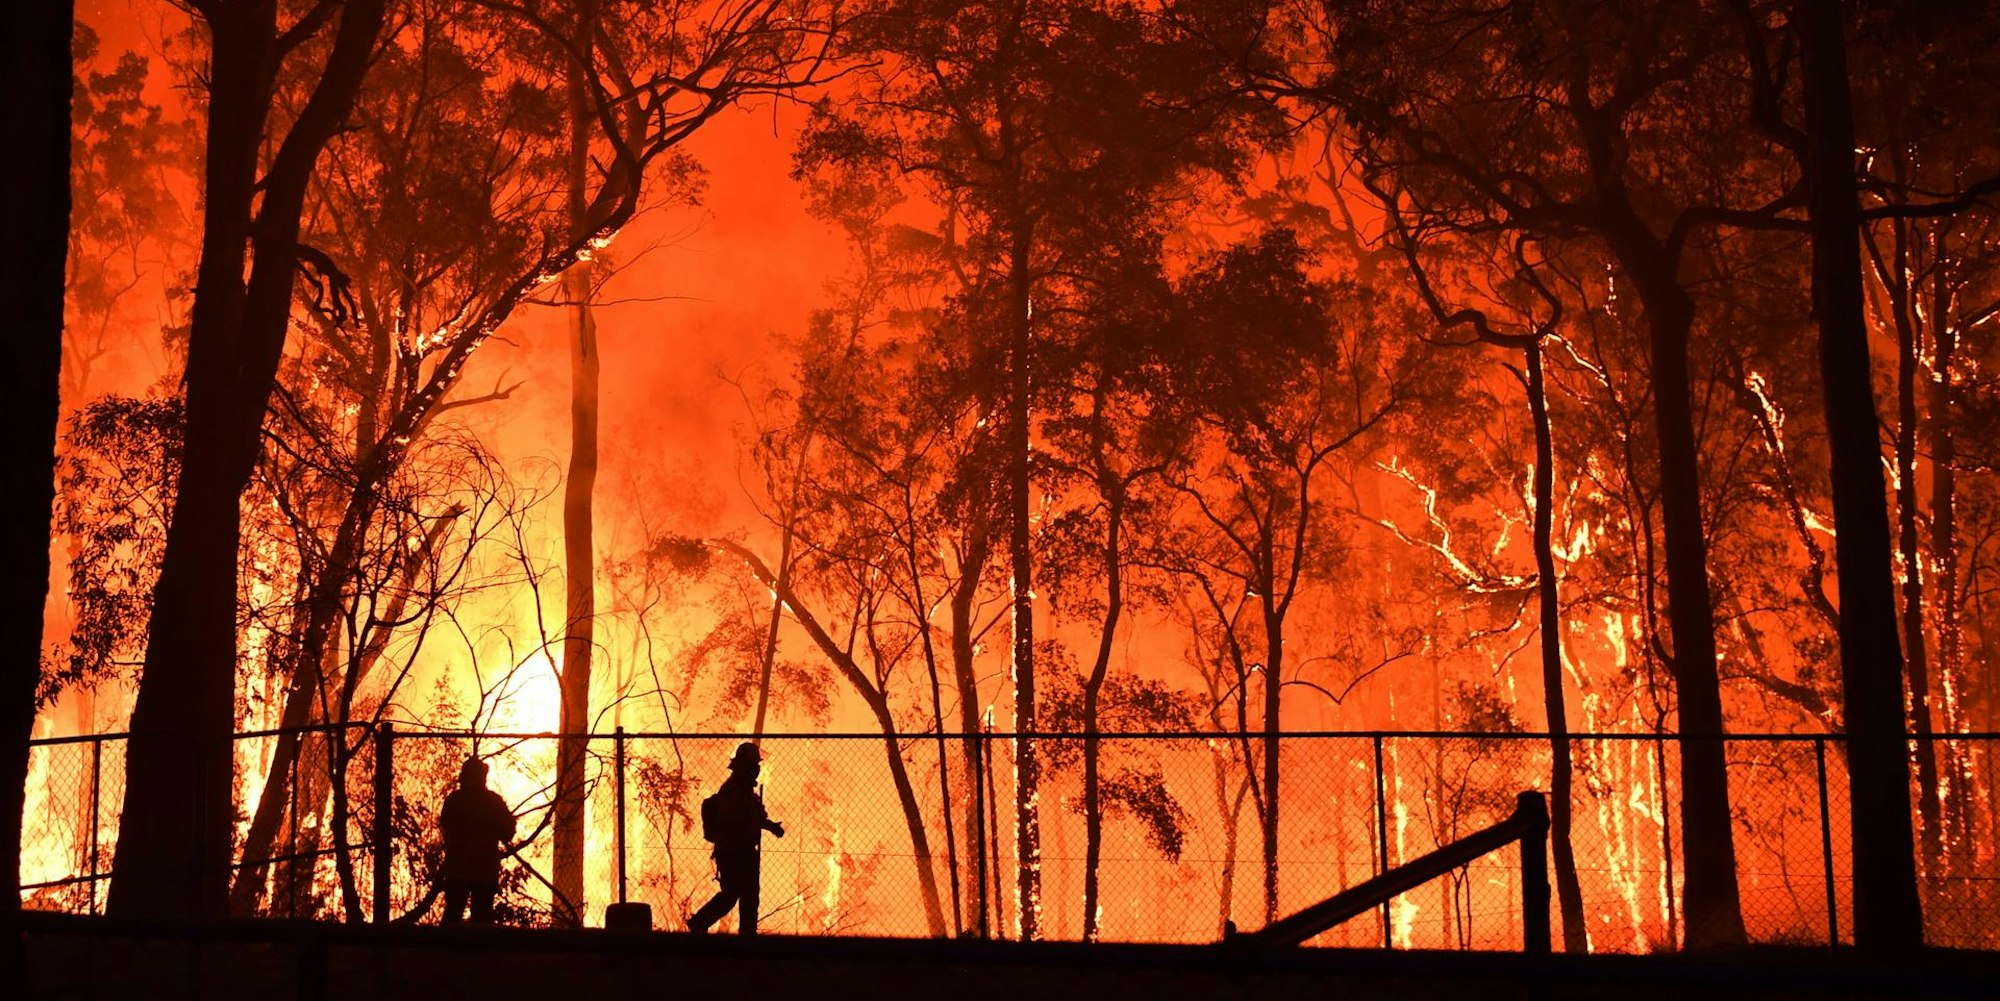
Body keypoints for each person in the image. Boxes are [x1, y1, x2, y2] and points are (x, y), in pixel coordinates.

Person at [688, 742, 784, 934]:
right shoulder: (732, 791)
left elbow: (752, 817)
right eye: (753, 765)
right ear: (744, 767)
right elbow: (737, 819)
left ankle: (746, 937)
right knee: (732, 895)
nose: (757, 769)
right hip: (733, 851)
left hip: (743, 851)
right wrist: (765, 824)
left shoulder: (743, 790)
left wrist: (768, 825)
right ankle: (700, 922)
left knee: (748, 897)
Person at [439, 756, 516, 924]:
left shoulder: (454, 800)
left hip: (458, 866)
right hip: (484, 868)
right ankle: (480, 948)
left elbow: (446, 825)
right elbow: (508, 832)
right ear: (482, 777)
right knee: (482, 917)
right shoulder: (493, 802)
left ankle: (444, 948)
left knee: (453, 914)